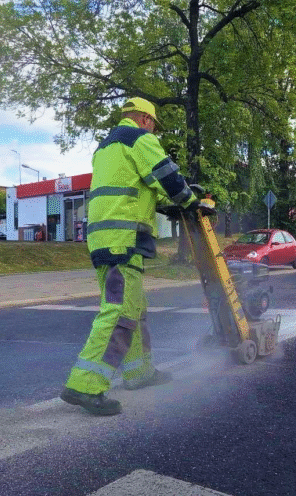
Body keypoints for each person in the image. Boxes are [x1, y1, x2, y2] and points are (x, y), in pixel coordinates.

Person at [60, 97, 212, 416]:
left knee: (134, 307)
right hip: (122, 241)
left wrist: (170, 200)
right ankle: (85, 385)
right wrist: (189, 200)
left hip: (107, 238)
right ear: (145, 119)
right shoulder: (140, 139)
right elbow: (165, 174)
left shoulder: (106, 147)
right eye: (153, 124)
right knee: (117, 312)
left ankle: (138, 372)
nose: (154, 129)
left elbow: (140, 186)